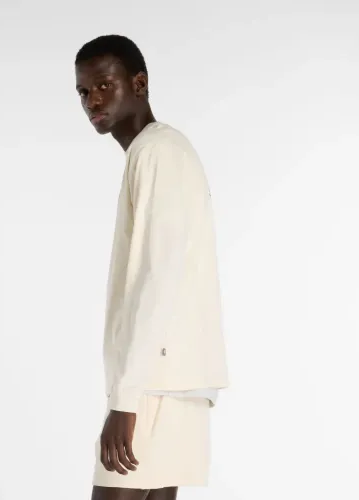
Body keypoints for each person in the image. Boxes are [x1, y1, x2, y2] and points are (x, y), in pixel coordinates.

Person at [74, 34, 229, 500]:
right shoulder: (163, 150)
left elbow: (157, 278)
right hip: (175, 378)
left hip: (154, 384)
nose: (92, 100)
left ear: (139, 84)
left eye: (104, 85)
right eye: (83, 91)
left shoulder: (156, 152)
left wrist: (125, 400)